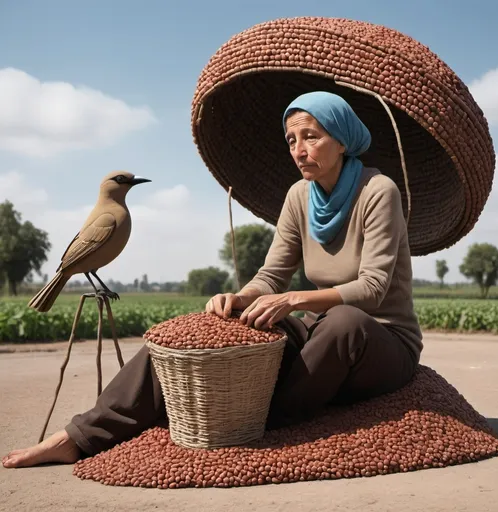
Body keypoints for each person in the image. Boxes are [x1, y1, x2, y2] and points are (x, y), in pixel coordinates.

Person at [2, 91, 422, 469]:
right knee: (205, 329)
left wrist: (292, 301)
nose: (299, 149)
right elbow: (272, 275)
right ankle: (82, 435)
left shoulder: (377, 190)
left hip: (379, 340)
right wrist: (240, 299)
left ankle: (259, 425)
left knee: (343, 321)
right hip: (320, 332)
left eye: (311, 136)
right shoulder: (299, 196)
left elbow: (372, 288)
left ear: (342, 138)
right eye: (292, 140)